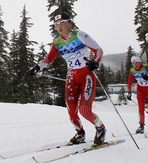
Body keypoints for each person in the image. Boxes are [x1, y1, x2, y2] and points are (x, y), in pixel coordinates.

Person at [27, 12, 106, 145]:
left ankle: (101, 128)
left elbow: (98, 50)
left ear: (69, 23)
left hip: (86, 75)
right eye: (56, 24)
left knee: (85, 111)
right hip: (71, 77)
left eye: (62, 22)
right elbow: (49, 58)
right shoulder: (57, 42)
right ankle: (80, 133)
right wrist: (37, 67)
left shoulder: (79, 35)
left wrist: (96, 62)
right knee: (71, 111)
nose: (59, 26)